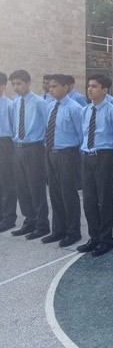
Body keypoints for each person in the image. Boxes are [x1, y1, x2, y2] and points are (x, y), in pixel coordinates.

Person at [77, 74, 113, 256]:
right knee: (89, 200)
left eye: (94, 86)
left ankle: (105, 239)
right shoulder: (85, 111)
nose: (89, 89)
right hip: (87, 156)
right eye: (89, 86)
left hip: (104, 157)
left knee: (104, 199)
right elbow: (83, 135)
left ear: (105, 90)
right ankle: (94, 237)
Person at [40, 74, 83, 247]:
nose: (51, 89)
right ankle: (58, 230)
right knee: (55, 193)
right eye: (50, 86)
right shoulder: (50, 106)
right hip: (51, 153)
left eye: (55, 86)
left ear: (66, 87)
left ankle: (73, 232)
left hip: (67, 155)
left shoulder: (75, 108)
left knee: (69, 194)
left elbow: (82, 135)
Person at [10, 69, 50, 239]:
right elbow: (15, 125)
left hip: (34, 148)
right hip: (18, 148)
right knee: (22, 187)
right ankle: (30, 220)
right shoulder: (15, 102)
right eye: (13, 84)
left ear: (28, 83)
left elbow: (48, 125)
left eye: (19, 83)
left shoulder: (40, 102)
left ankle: (42, 224)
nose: (16, 87)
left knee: (36, 186)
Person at [0, 72, 17, 232]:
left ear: (3, 87)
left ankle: (9, 217)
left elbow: (15, 130)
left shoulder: (10, 105)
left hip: (5, 144)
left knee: (7, 182)